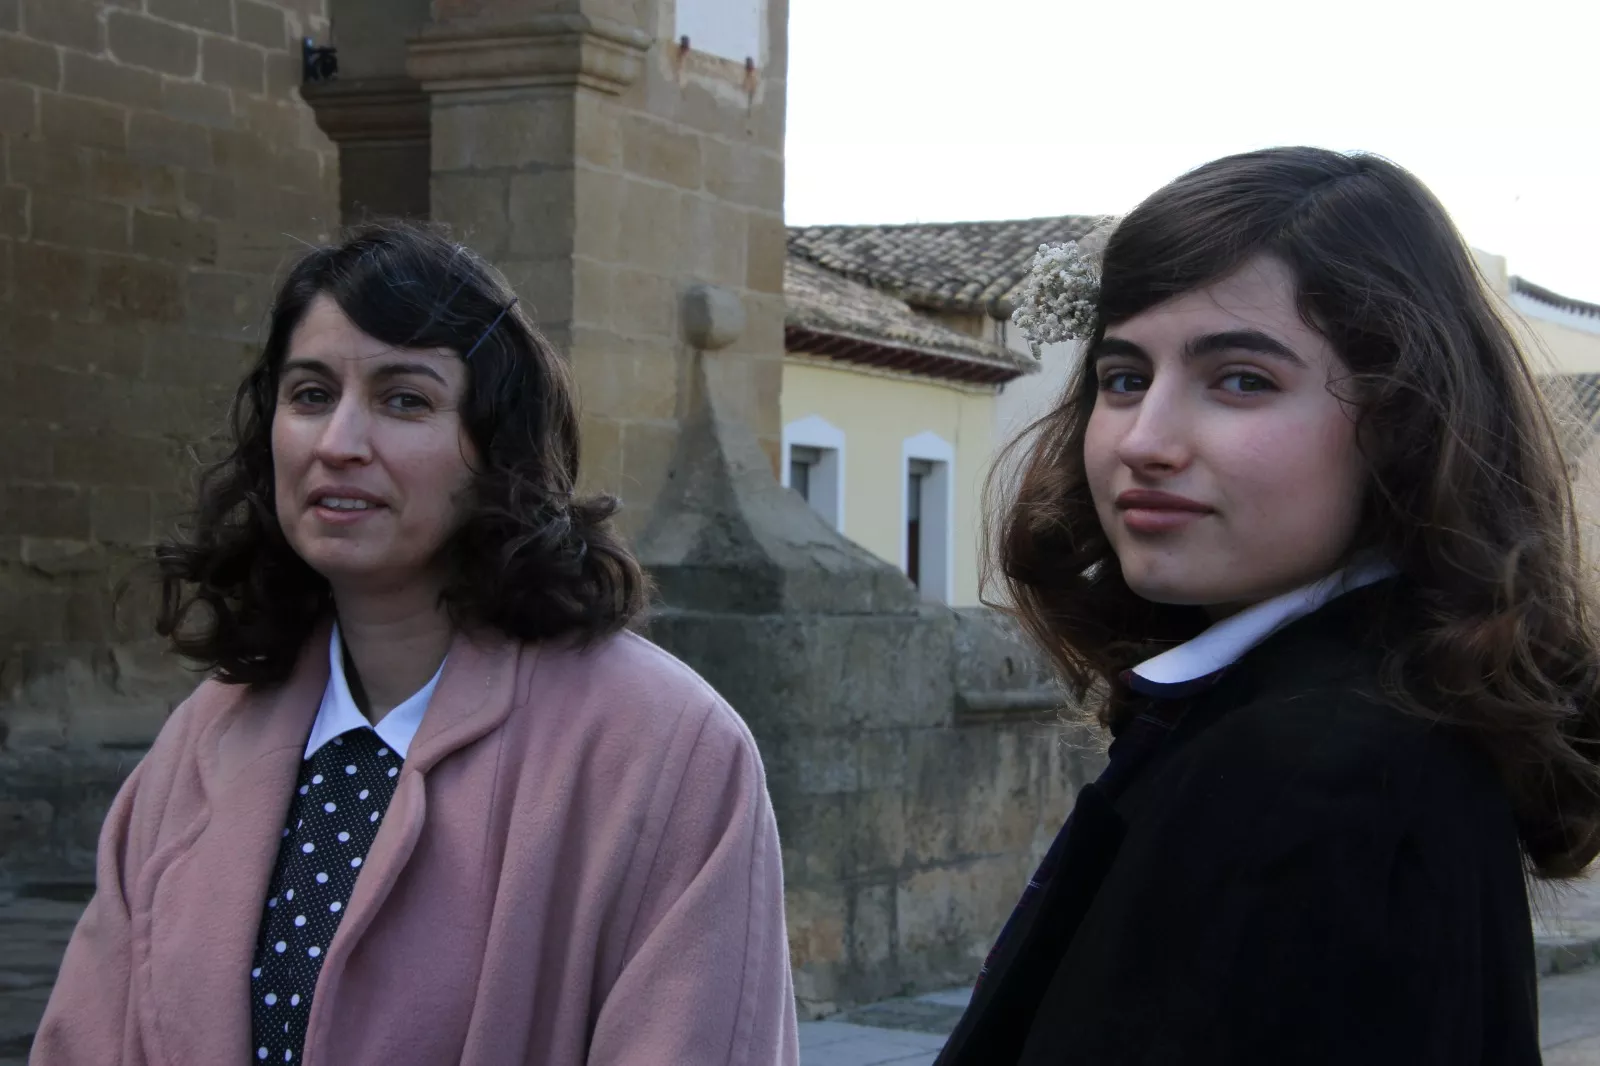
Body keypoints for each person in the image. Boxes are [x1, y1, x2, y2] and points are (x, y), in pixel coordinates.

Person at [32, 222, 801, 1066]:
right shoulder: (200, 740)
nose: (339, 443)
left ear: (496, 449)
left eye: (406, 399)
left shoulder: (667, 751)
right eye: (311, 394)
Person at [937, 147, 1600, 1065]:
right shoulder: (1363, 714)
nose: (1146, 440)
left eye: (1242, 379)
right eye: (1123, 378)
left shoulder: (1311, 768)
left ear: (1404, 423)